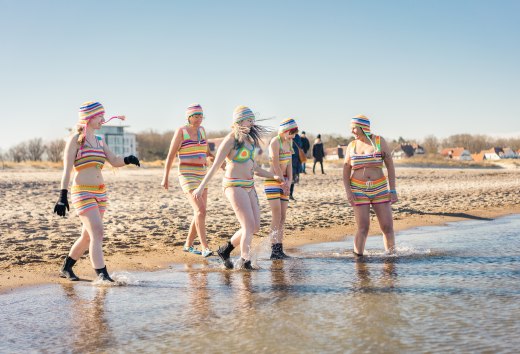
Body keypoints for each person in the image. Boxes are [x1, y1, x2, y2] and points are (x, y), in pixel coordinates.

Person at [54, 101, 140, 282]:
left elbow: (115, 160)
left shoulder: (100, 140)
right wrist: (62, 196)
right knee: (98, 233)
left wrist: (128, 159)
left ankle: (67, 267)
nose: (103, 119)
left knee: (87, 236)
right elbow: (67, 170)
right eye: (100, 116)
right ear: (89, 118)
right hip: (82, 192)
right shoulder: (75, 140)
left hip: (101, 193)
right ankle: (103, 276)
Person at [193, 106, 283, 269]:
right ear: (239, 120)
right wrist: (200, 187)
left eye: (252, 120)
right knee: (248, 226)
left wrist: (274, 177)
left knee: (255, 227)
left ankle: (225, 250)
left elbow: (254, 167)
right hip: (234, 185)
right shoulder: (230, 140)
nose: (252, 123)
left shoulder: (249, 140)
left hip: (249, 185)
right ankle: (244, 260)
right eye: (249, 120)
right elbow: (215, 166)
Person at [161, 104, 214, 257]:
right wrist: (165, 177)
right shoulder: (181, 131)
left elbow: (206, 151)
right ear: (189, 117)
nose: (199, 119)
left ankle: (188, 244)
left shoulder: (202, 131)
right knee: (200, 210)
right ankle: (205, 247)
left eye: (201, 116)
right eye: (196, 116)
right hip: (187, 174)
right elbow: (171, 156)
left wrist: (215, 159)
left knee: (200, 212)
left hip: (202, 174)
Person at [342, 114, 398, 256]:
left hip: (379, 188)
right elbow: (346, 170)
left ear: (363, 127)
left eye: (354, 128)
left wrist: (393, 190)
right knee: (363, 227)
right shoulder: (352, 145)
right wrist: (348, 192)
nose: (351, 131)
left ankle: (391, 258)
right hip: (358, 189)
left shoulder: (379, 141)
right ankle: (358, 259)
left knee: (387, 226)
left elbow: (390, 166)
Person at [265, 118, 299, 259]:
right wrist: (281, 181)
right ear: (284, 131)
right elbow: (275, 162)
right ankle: (274, 249)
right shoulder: (275, 141)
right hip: (273, 181)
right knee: (277, 215)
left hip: (285, 180)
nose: (293, 136)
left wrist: (289, 182)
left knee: (283, 217)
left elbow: (290, 164)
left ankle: (279, 248)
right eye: (291, 133)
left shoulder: (289, 143)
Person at [289, 132, 303, 201]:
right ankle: (290, 194)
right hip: (296, 161)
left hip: (291, 161)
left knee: (289, 178)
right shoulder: (298, 137)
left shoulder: (289, 136)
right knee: (293, 178)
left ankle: (289, 194)